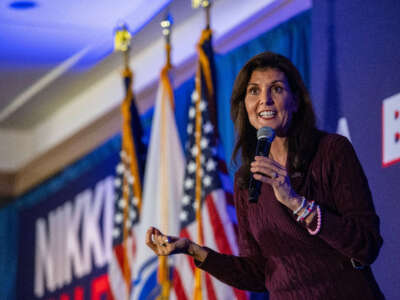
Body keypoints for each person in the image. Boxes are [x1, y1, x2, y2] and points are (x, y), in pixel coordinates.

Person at [146, 52, 384, 299]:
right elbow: (259, 273)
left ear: (295, 100)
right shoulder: (246, 181)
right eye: (254, 91)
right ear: (244, 105)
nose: (264, 100)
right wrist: (192, 249)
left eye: (277, 89)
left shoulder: (331, 151)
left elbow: (366, 245)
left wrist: (295, 202)